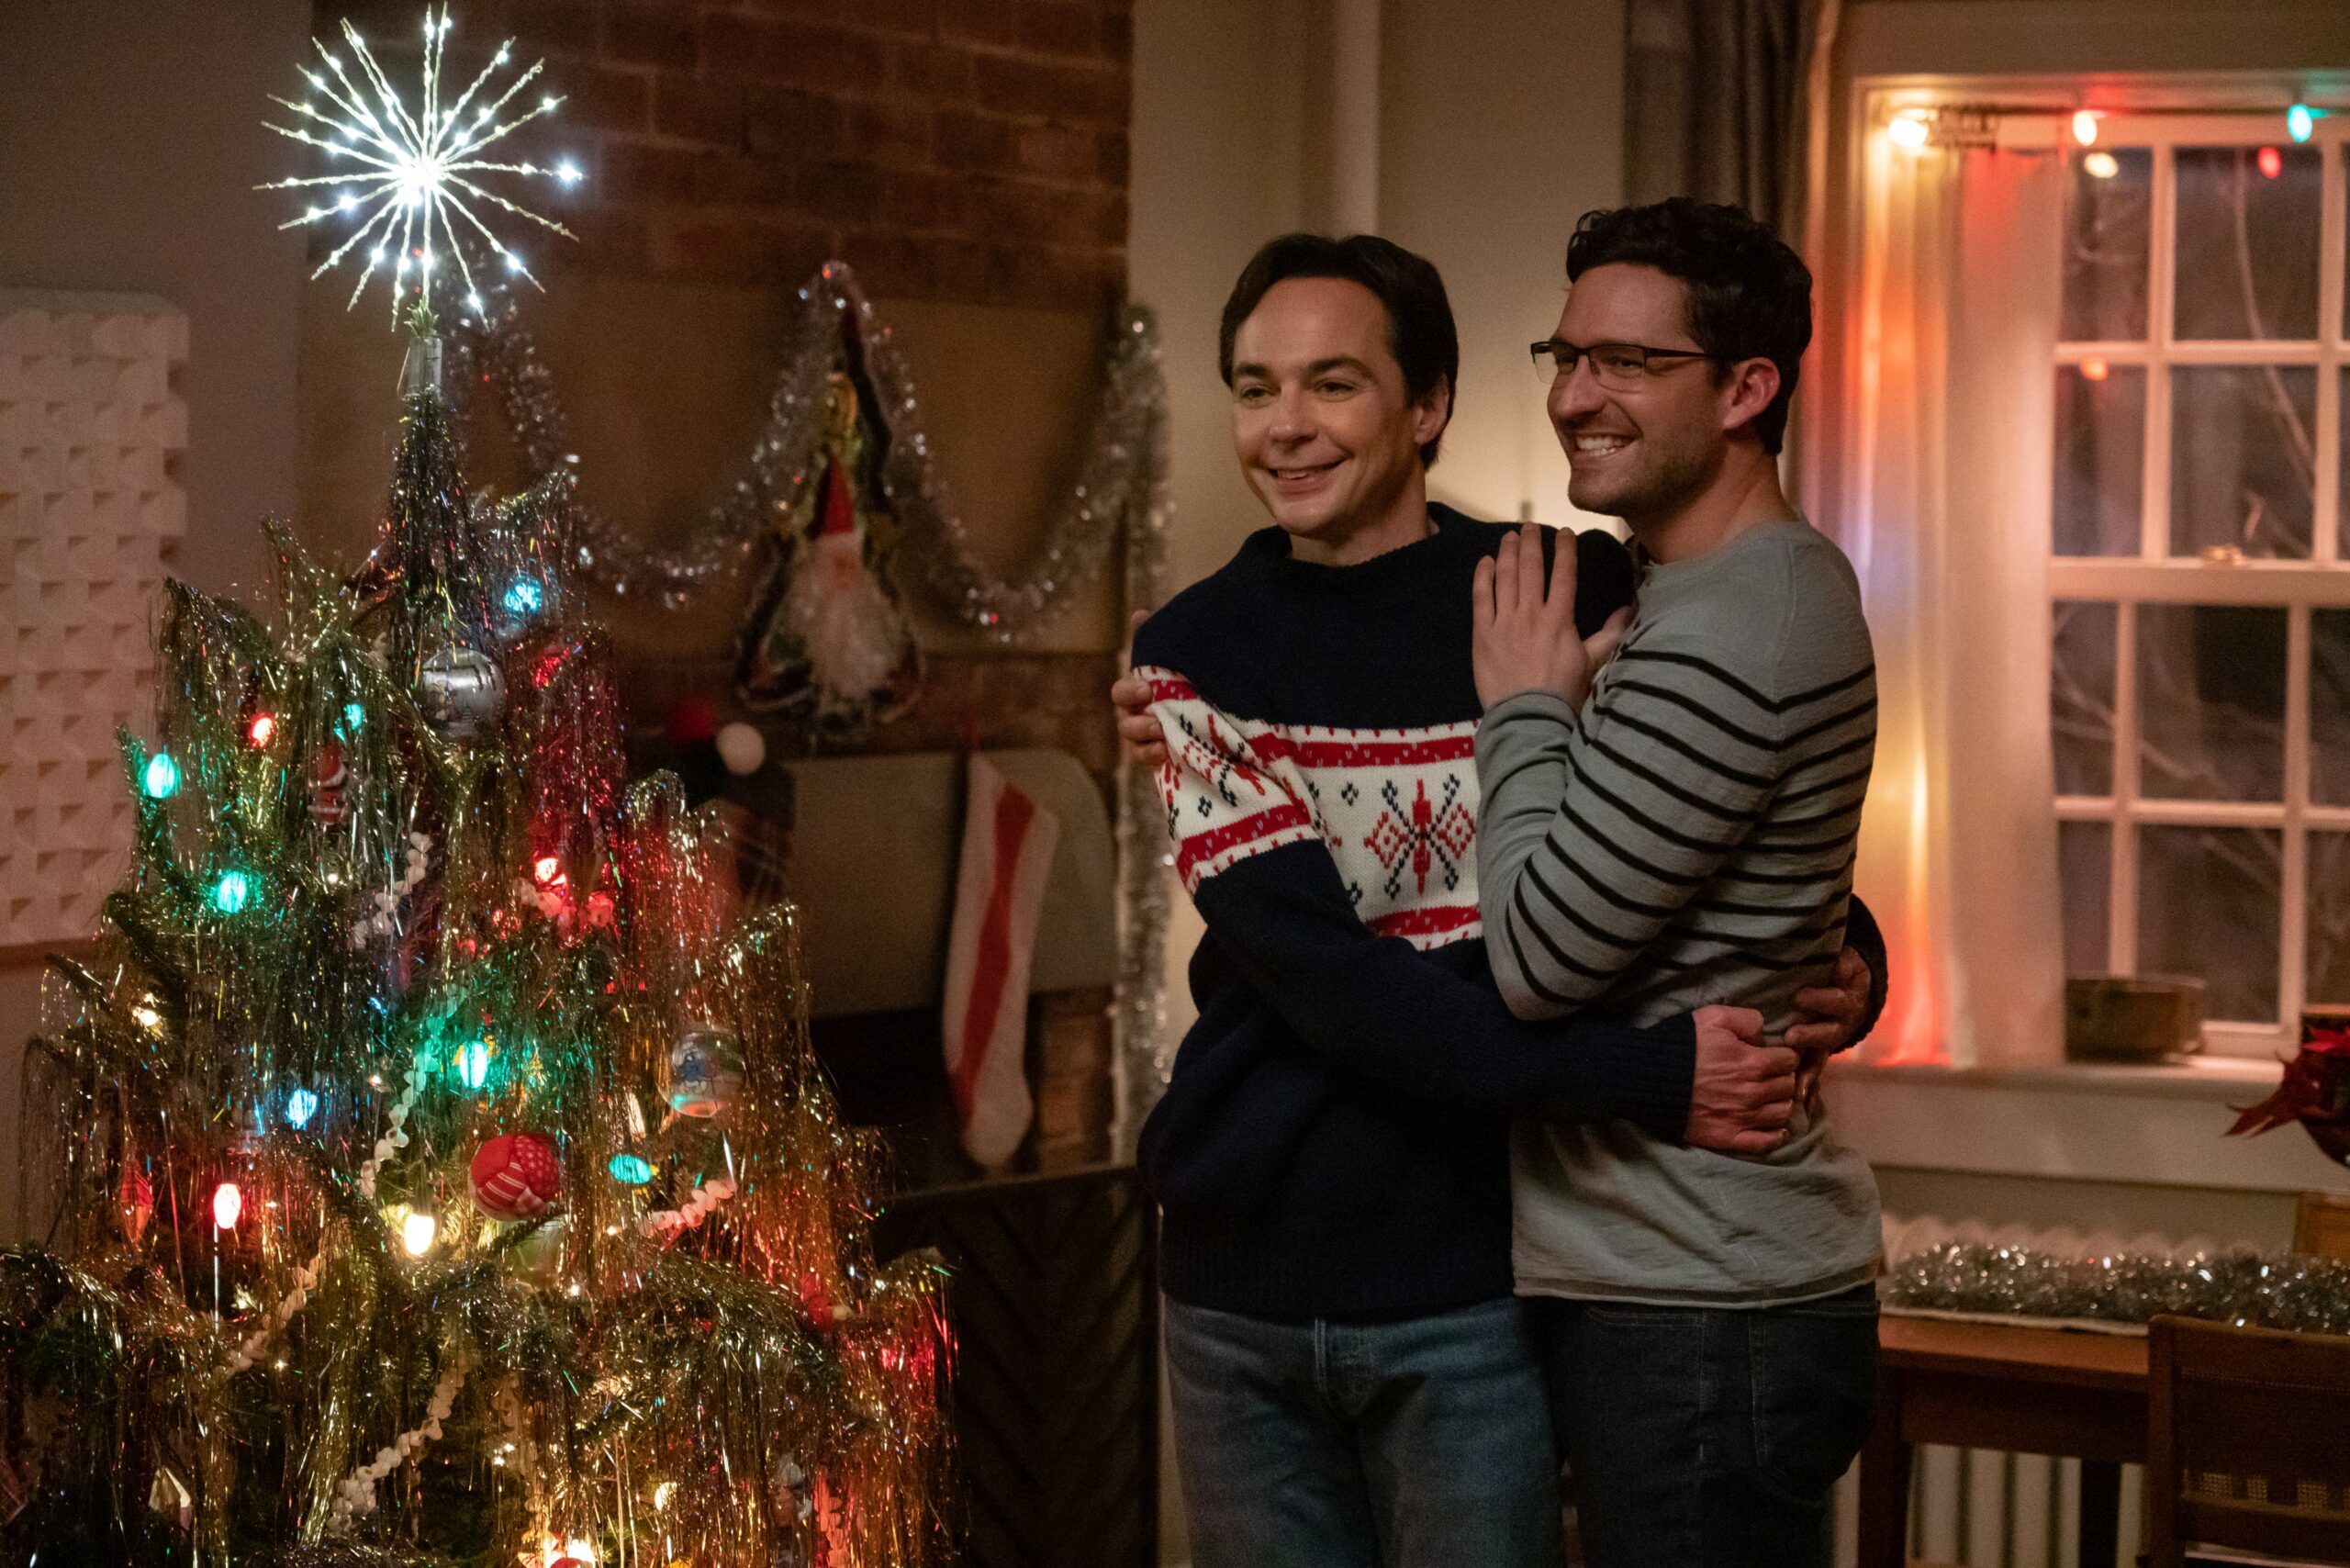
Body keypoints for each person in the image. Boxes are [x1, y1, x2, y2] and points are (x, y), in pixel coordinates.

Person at [1112, 231, 1885, 1568]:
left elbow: (1716, 821)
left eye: (1333, 384)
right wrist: (1648, 1076)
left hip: (1470, 1277)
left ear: (1429, 407)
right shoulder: (1192, 656)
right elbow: (1337, 988)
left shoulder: (1562, 593)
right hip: (1242, 1273)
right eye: (1254, 388)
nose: (1285, 426)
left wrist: (1845, 954)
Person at [1472, 198, 1883, 1568]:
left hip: (1701, 1295)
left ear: (1748, 389)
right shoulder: (1697, 595)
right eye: (1567, 355)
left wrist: (1525, 710)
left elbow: (1537, 960)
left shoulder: (1737, 620)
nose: (1574, 396)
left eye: (1629, 363)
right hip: (1677, 1283)